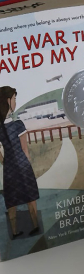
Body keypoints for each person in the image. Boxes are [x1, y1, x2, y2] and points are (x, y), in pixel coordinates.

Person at [0, 86, 39, 237]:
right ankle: (35, 226)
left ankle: (15, 231)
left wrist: (4, 161)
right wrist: (27, 163)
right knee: (30, 196)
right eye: (14, 99)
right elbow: (24, 149)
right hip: (22, 164)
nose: (15, 102)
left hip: (9, 166)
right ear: (7, 101)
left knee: (12, 199)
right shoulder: (18, 125)